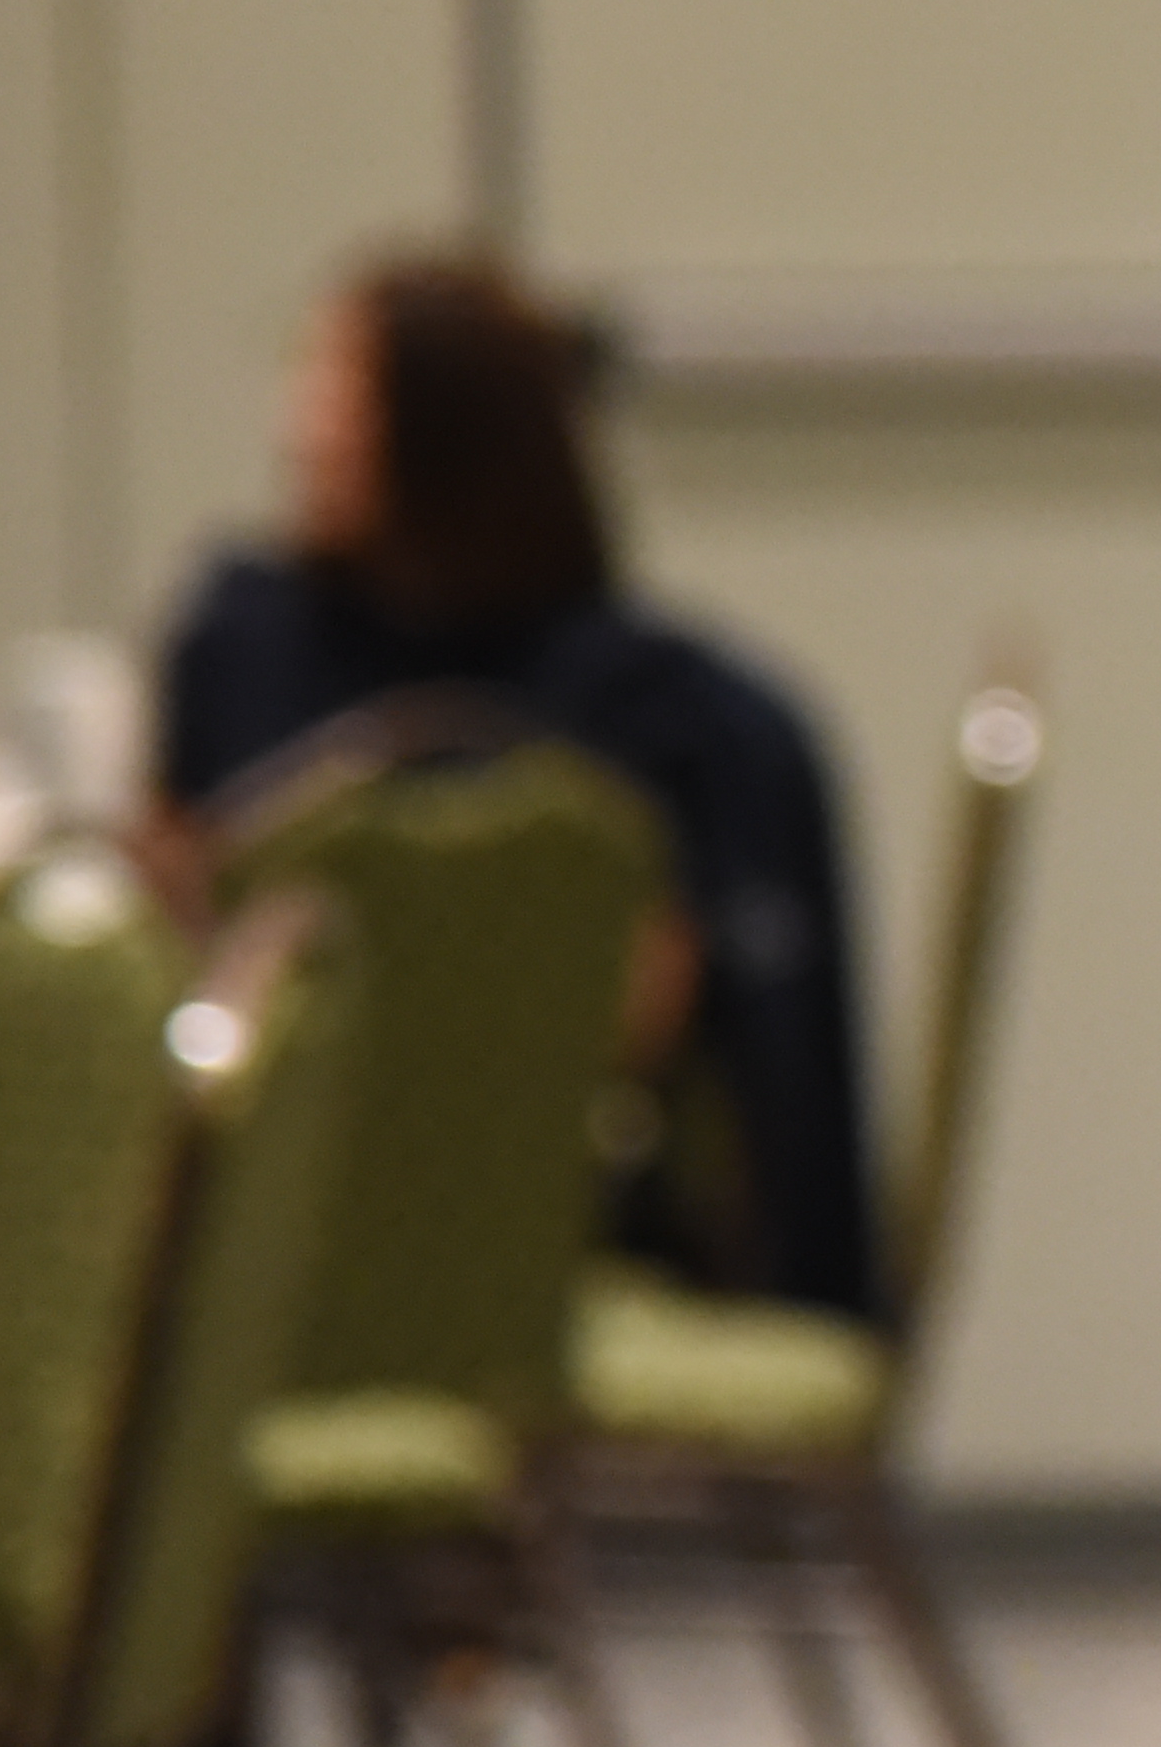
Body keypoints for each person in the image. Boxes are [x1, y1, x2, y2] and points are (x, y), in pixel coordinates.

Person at [151, 252, 880, 1324]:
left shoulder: (687, 731)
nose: (296, 429)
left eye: (332, 393)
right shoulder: (243, 652)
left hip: (390, 1261)